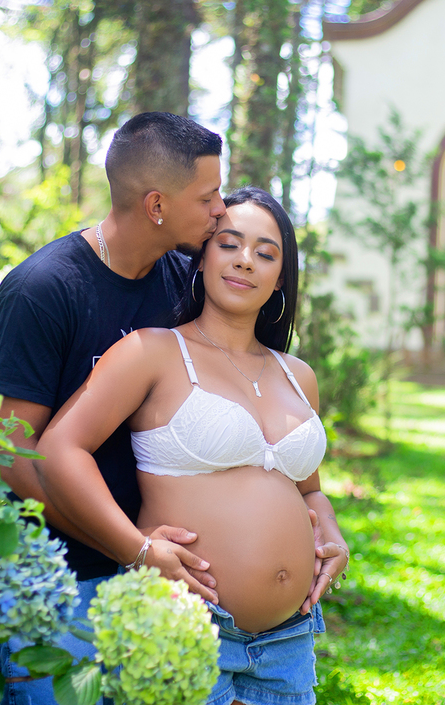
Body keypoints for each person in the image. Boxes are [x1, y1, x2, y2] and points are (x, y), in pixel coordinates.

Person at [35, 187, 350, 705]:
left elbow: (308, 490)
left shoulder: (299, 376)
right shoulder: (152, 351)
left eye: (266, 253)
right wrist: (136, 549)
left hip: (289, 641)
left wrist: (331, 532)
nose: (246, 261)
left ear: (279, 281)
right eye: (230, 244)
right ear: (202, 257)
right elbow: (59, 449)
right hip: (187, 627)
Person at [0, 112, 228, 702]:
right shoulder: (42, 289)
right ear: (156, 206)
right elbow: (11, 453)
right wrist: (132, 544)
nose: (221, 209)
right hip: (56, 587)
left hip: (152, 582)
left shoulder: (184, 282)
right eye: (208, 196)